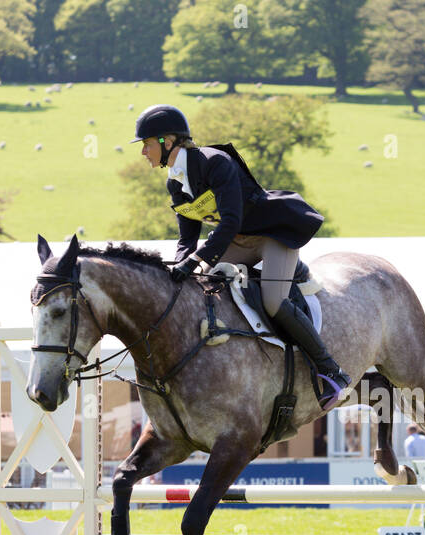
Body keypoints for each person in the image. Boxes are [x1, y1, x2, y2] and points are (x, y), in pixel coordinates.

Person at [132, 104, 350, 410]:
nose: (143, 152)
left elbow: (231, 220)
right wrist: (179, 268)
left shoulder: (214, 162)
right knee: (198, 285)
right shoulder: (175, 181)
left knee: (274, 301)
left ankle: (331, 370)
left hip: (272, 236)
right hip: (235, 242)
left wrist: (195, 260)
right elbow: (187, 237)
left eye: (146, 144)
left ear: (168, 142)